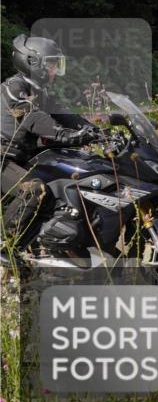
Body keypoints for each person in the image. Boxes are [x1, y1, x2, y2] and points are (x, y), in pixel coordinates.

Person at [1, 36, 102, 257]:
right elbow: (33, 118)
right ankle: (4, 246)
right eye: (51, 64)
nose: (55, 70)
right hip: (3, 158)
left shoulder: (41, 91)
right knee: (35, 190)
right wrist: (65, 135)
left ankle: (43, 247)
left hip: (18, 158)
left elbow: (66, 115)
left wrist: (98, 133)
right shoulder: (14, 88)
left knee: (59, 181)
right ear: (32, 62)